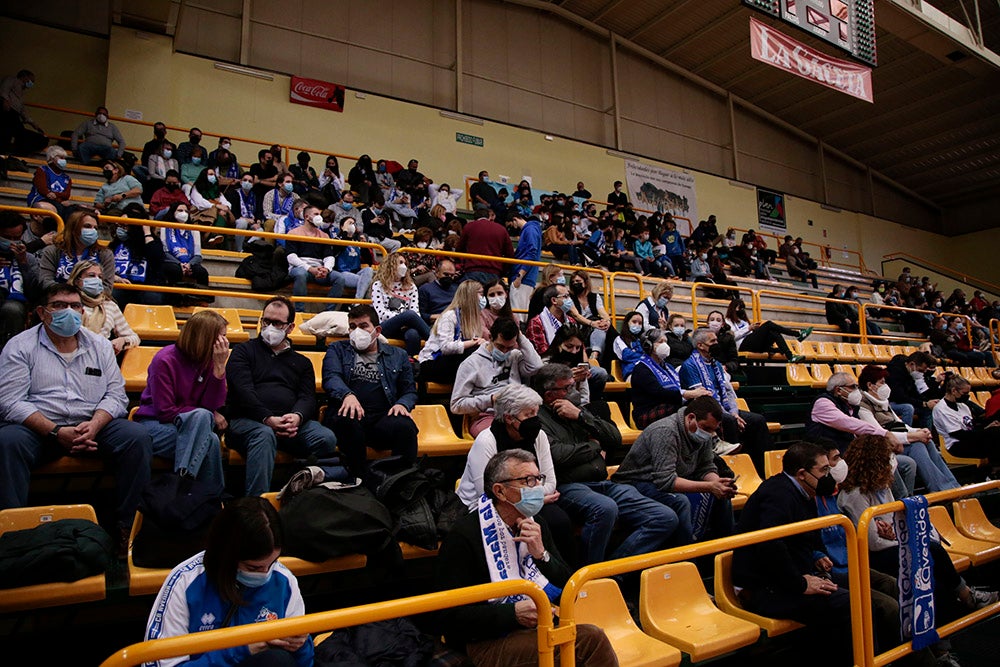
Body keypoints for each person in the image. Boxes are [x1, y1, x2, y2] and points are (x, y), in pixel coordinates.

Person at [0, 283, 152, 555]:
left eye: (75, 306)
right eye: (59, 305)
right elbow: (11, 402)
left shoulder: (100, 346)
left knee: (136, 437)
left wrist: (94, 425)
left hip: (91, 426)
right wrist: (57, 431)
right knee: (7, 441)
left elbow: (116, 396)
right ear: (41, 312)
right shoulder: (20, 347)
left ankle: (129, 529)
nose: (68, 311)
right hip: (40, 429)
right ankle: (13, 535)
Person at [438, 448, 617, 666]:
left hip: (537, 626)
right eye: (528, 481)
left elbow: (567, 594)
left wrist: (542, 555)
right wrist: (512, 613)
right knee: (590, 640)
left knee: (585, 636)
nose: (538, 488)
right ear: (500, 491)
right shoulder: (464, 535)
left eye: (538, 479)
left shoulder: (536, 523)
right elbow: (449, 618)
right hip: (484, 641)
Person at [535, 364, 685, 563]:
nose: (573, 391)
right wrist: (595, 446)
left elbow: (615, 439)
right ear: (549, 395)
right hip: (568, 487)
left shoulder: (578, 412)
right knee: (605, 509)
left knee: (664, 517)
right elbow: (559, 455)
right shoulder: (538, 419)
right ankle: (589, 573)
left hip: (602, 483)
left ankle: (615, 570)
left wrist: (581, 416)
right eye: (567, 388)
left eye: (573, 385)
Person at [144, 496, 314, 667]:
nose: (265, 573)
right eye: (253, 568)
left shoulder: (284, 581)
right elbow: (161, 664)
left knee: (278, 661)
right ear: (226, 555)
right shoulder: (185, 582)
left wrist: (300, 646)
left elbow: (304, 664)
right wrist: (242, 650)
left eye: (273, 563)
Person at [838, 434, 998, 613]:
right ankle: (966, 596)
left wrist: (895, 533)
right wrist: (898, 537)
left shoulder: (882, 487)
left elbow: (893, 525)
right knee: (931, 550)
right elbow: (874, 543)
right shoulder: (855, 495)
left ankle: (960, 604)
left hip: (893, 544)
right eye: (888, 456)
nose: (892, 461)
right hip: (874, 555)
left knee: (931, 559)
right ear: (874, 462)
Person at [732, 442, 853, 667]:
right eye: (823, 470)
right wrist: (799, 584)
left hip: (790, 575)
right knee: (848, 603)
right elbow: (769, 545)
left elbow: (801, 537)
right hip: (764, 588)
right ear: (801, 474)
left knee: (867, 587)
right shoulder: (778, 494)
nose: (829, 475)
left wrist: (815, 556)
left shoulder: (803, 491)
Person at [226, 297, 338, 497]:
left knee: (326, 438)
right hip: (249, 422)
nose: (269, 327)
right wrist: (268, 419)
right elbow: (243, 391)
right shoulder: (243, 351)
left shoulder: (301, 362)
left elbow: (307, 398)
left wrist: (296, 417)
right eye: (266, 321)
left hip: (290, 425)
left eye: (277, 323)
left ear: (290, 327)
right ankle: (256, 504)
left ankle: (295, 491)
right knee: (264, 435)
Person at [614, 395, 737, 542]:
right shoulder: (666, 431)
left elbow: (705, 467)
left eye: (713, 430)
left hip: (668, 480)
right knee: (680, 501)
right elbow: (666, 481)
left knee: (722, 496)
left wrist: (718, 484)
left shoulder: (703, 434)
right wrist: (710, 486)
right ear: (690, 417)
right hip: (637, 482)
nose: (709, 434)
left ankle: (725, 547)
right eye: (706, 428)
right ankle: (687, 555)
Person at [134, 310, 228, 494]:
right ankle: (205, 498)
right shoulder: (165, 359)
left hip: (195, 426)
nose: (225, 345)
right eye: (221, 338)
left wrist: (219, 369)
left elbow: (213, 406)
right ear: (204, 338)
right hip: (155, 425)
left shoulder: (210, 361)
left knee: (211, 437)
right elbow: (165, 411)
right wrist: (201, 413)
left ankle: (186, 489)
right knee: (209, 437)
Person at [322, 304, 419, 476]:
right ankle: (359, 480)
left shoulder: (398, 355)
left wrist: (403, 404)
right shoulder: (337, 350)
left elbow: (409, 390)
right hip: (347, 414)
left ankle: (401, 481)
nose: (357, 331)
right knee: (348, 422)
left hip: (381, 416)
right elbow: (331, 377)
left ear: (377, 330)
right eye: (352, 327)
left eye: (363, 326)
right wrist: (347, 395)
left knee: (406, 427)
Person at [805, 372, 923, 499]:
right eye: (853, 387)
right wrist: (885, 434)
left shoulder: (850, 406)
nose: (857, 390)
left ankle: (906, 502)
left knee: (903, 463)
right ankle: (900, 502)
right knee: (882, 462)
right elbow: (850, 424)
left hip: (849, 453)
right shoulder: (822, 403)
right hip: (829, 456)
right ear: (839, 390)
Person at [679, 327, 774, 472]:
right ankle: (735, 471)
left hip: (725, 408)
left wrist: (734, 412)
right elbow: (704, 396)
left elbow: (728, 392)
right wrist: (730, 416)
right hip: (706, 410)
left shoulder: (716, 364)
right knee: (728, 421)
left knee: (757, 420)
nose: (717, 343)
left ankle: (763, 470)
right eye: (713, 341)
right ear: (700, 345)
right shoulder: (690, 365)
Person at [856, 364, 959, 492]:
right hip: (883, 445)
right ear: (870, 385)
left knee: (928, 442)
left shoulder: (883, 402)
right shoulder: (863, 405)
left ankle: (953, 485)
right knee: (918, 446)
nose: (885, 386)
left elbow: (899, 423)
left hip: (898, 439)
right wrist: (914, 437)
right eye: (882, 382)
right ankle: (941, 489)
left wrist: (920, 431)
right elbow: (879, 433)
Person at [451, 317, 543, 438]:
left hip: (517, 412)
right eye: (500, 347)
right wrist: (491, 399)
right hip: (487, 414)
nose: (505, 352)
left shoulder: (514, 356)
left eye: (509, 347)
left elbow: (536, 366)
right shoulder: (471, 364)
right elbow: (456, 405)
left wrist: (520, 337)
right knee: (503, 436)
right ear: (490, 338)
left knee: (538, 433)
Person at [630, 329, 713, 428]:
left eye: (666, 342)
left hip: (669, 407)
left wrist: (697, 393)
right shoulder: (641, 368)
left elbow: (678, 388)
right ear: (649, 345)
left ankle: (713, 439)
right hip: (646, 413)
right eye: (660, 342)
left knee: (703, 404)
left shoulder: (668, 367)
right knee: (687, 410)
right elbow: (659, 393)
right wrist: (688, 394)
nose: (665, 345)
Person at [417, 280, 488, 384]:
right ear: (471, 296)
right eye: (481, 293)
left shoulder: (472, 319)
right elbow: (446, 347)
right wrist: (473, 342)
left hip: (451, 362)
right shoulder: (449, 316)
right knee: (471, 354)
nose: (483, 298)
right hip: (432, 363)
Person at [67, 260, 139, 354]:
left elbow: (134, 338)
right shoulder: (67, 303)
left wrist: (122, 341)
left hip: (100, 356)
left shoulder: (109, 305)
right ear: (77, 280)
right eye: (91, 275)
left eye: (100, 277)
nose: (97, 280)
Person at [283, 204, 344, 313]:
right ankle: (299, 311)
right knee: (300, 274)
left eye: (320, 214)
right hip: (300, 268)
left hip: (319, 269)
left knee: (339, 278)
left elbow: (329, 256)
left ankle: (328, 312)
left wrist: (327, 269)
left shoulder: (324, 235)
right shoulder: (294, 233)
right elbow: (291, 257)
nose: (319, 217)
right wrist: (310, 268)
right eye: (316, 214)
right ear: (307, 217)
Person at [933, 375, 1000, 472]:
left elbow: (971, 425)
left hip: (970, 439)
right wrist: (986, 431)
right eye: (964, 393)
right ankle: (995, 470)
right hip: (956, 445)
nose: (967, 396)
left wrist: (988, 426)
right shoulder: (941, 409)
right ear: (954, 391)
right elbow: (960, 434)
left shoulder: (962, 405)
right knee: (995, 434)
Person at [369, 252, 431, 356]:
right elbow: (381, 314)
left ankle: (411, 365)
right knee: (409, 315)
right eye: (400, 262)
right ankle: (436, 341)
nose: (404, 266)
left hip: (405, 327)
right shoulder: (378, 285)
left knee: (413, 334)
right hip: (385, 326)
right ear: (391, 265)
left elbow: (416, 313)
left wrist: (406, 320)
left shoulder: (411, 287)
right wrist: (404, 318)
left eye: (405, 263)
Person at [38, 209, 115, 291]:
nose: (93, 231)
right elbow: (45, 282)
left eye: (95, 228)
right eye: (87, 226)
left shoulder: (105, 254)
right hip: (59, 298)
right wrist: (70, 294)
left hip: (93, 301)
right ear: (74, 229)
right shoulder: (52, 251)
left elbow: (107, 287)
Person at [108, 206, 167, 307]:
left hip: (145, 286)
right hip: (121, 285)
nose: (120, 229)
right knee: (113, 295)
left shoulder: (152, 241)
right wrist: (116, 278)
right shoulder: (115, 244)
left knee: (152, 297)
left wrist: (147, 232)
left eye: (124, 226)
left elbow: (156, 259)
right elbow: (105, 267)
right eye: (119, 225)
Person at [724, 298, 810, 362]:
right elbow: (732, 337)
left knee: (773, 332)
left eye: (743, 308)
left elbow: (751, 335)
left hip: (753, 345)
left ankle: (790, 356)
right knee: (768, 324)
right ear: (733, 308)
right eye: (740, 308)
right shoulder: (727, 321)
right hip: (741, 346)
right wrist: (748, 328)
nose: (742, 310)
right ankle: (797, 334)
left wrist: (754, 330)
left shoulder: (744, 321)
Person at [0, 210, 40, 349]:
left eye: (16, 237)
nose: (11, 242)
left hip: (15, 302)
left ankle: (9, 353)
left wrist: (23, 264)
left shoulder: (28, 257)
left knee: (12, 309)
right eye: (6, 237)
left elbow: (35, 291)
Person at [887, 351, 943, 429]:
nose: (922, 374)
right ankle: (907, 434)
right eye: (920, 370)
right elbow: (899, 397)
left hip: (902, 401)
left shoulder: (910, 373)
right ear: (912, 364)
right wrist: (924, 403)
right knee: (908, 408)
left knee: (927, 409)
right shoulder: (893, 373)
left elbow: (915, 394)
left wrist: (927, 402)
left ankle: (926, 435)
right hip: (890, 403)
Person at [161, 202, 210, 290]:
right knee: (175, 270)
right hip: (172, 261)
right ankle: (176, 299)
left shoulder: (194, 230)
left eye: (186, 211)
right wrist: (180, 264)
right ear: (173, 212)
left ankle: (203, 299)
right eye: (180, 210)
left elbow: (198, 255)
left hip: (190, 262)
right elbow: (165, 252)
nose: (183, 213)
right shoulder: (165, 228)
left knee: (202, 272)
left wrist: (189, 265)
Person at [457, 209, 514, 285]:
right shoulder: (501, 229)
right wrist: (502, 270)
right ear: (489, 217)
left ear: (475, 218)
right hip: (494, 271)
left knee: (470, 295)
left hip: (472, 270)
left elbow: (459, 249)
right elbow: (510, 254)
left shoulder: (469, 227)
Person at [568, 269, 612, 362]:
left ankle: (594, 355)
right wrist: (592, 323)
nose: (575, 283)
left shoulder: (595, 297)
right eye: (573, 282)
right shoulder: (569, 297)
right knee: (599, 327)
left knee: (601, 328)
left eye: (578, 281)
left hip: (594, 328)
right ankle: (595, 356)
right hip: (578, 329)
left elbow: (602, 312)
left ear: (586, 282)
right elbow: (576, 315)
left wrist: (607, 321)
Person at [0, 69, 45, 155]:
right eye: (31, 80)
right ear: (24, 76)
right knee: (7, 134)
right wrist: (5, 101)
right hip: (7, 111)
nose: (32, 83)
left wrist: (33, 124)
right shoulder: (12, 80)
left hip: (14, 114)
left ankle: (14, 153)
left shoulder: (21, 93)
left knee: (15, 134)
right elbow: (4, 89)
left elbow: (22, 110)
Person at [189, 166, 235, 247]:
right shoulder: (197, 188)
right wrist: (217, 206)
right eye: (210, 174)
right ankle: (213, 236)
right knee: (219, 213)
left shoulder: (216, 189)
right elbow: (200, 203)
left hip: (215, 212)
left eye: (214, 175)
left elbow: (226, 203)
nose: (213, 176)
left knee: (223, 213)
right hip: (200, 213)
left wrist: (225, 208)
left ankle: (215, 237)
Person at [26, 146, 72, 212]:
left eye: (64, 158)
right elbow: (43, 190)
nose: (63, 160)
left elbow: (66, 195)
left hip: (58, 201)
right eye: (60, 157)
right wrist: (58, 199)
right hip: (40, 199)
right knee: (58, 208)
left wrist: (55, 195)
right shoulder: (42, 170)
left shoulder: (67, 178)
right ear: (51, 158)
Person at [417, 258, 459, 323]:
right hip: (434, 323)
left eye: (452, 275)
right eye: (446, 274)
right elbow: (422, 315)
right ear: (437, 273)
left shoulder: (457, 289)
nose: (449, 277)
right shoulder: (425, 289)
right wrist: (442, 317)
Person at [610, 311, 645, 379]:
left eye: (640, 323)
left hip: (647, 370)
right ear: (627, 323)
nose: (637, 325)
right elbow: (626, 356)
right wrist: (643, 356)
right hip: (631, 372)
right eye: (634, 322)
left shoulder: (644, 340)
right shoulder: (619, 339)